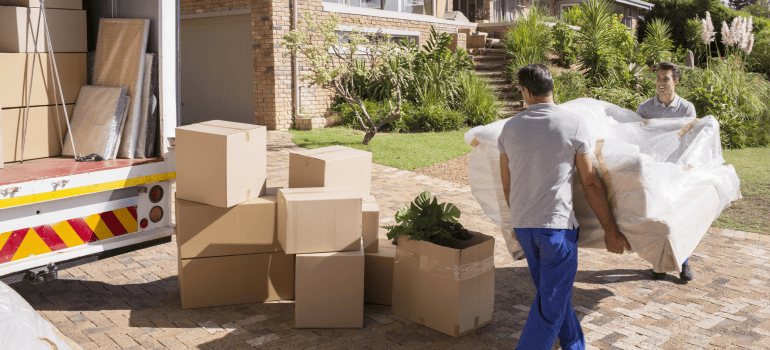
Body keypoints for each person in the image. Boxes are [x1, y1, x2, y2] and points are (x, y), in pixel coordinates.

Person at [498, 64, 631, 350]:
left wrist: (516, 222)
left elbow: (507, 185)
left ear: (526, 92)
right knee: (550, 307)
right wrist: (611, 230)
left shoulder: (509, 128)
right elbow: (591, 183)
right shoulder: (572, 124)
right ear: (551, 89)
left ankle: (574, 345)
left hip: (524, 227)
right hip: (556, 230)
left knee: (553, 297)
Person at [637, 61, 696, 281]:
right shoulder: (644, 108)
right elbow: (640, 140)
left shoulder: (686, 108)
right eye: (659, 78)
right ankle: (659, 264)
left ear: (676, 81)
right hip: (653, 171)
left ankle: (684, 262)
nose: (661, 82)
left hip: (676, 170)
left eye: (666, 78)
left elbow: (688, 141)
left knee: (679, 216)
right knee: (658, 217)